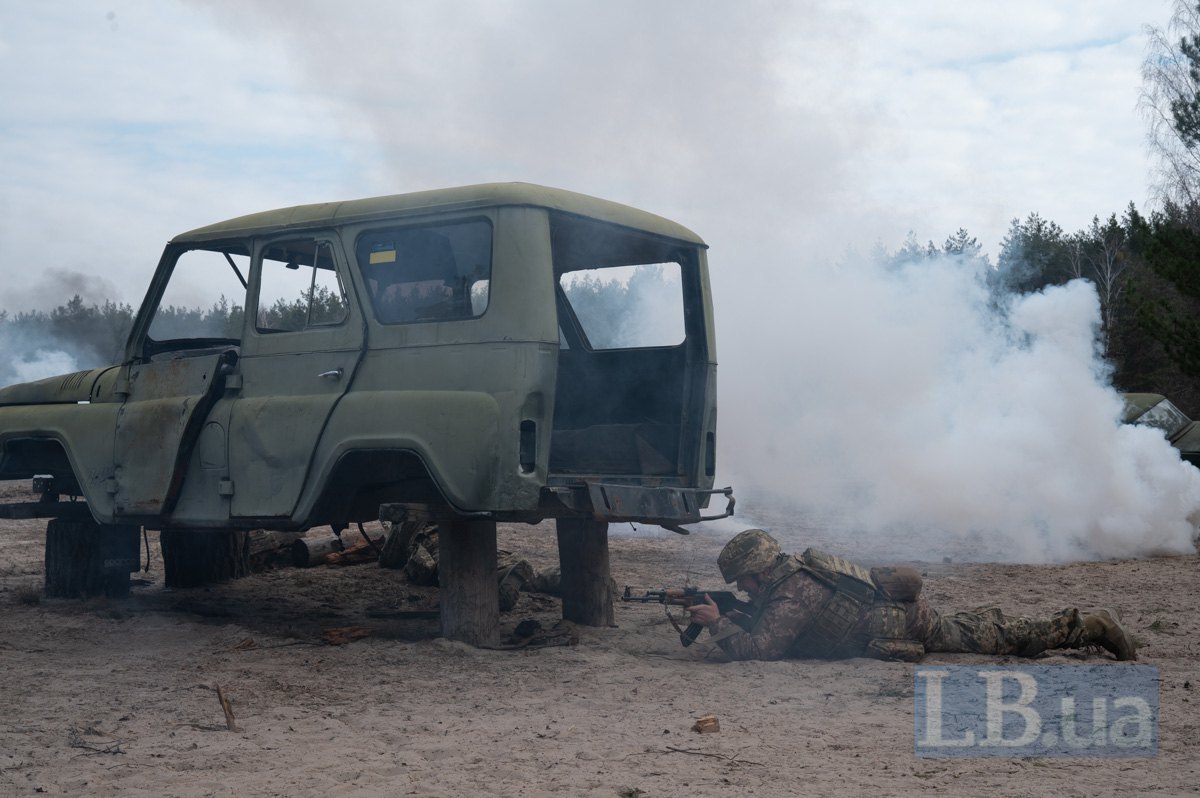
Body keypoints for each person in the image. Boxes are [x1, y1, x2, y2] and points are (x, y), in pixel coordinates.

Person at [686, 528, 1137, 662]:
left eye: (742, 580)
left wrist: (717, 623)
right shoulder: (789, 577)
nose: (741, 588)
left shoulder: (792, 593)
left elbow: (762, 649)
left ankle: (1088, 626)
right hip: (895, 613)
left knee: (1000, 636)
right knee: (979, 624)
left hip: (903, 622)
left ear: (759, 569)